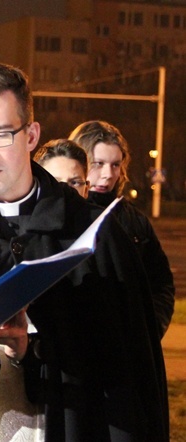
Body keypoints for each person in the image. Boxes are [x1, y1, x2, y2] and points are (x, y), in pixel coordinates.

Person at [0, 62, 168, 441]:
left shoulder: (97, 237)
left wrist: (31, 352)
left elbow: (128, 380)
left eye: (0, 135)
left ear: (32, 134)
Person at [69, 120, 175, 337]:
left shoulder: (134, 220)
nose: (108, 174)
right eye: (98, 163)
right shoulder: (61, 213)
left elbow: (160, 284)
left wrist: (150, 330)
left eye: (115, 164)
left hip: (129, 347)